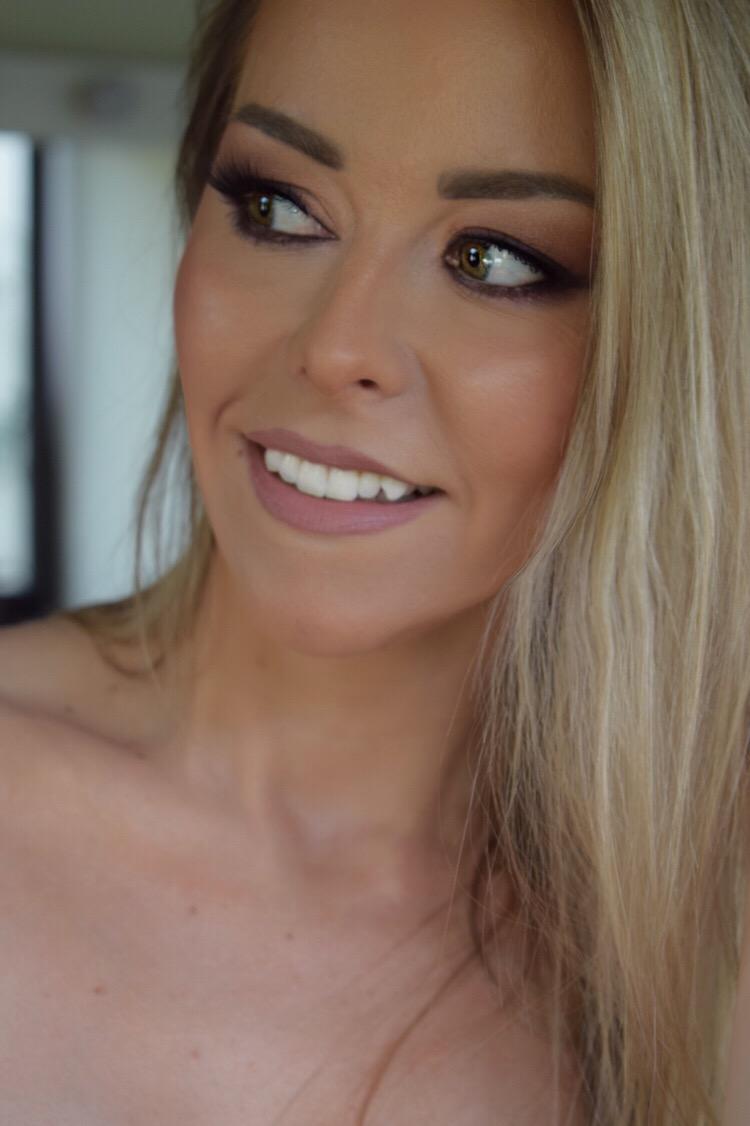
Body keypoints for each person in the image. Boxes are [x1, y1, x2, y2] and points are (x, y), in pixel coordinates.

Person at [0, 0, 747, 1122]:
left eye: (492, 260)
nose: (337, 345)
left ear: (672, 347)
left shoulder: (698, 954)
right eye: (278, 207)